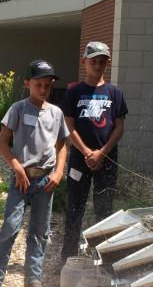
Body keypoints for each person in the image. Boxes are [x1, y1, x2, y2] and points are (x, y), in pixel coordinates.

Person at [0, 60, 70, 287]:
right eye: (38, 84)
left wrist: (59, 171)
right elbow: (2, 143)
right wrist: (17, 167)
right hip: (21, 180)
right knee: (10, 227)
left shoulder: (56, 113)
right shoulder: (18, 109)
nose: (43, 89)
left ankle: (34, 278)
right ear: (27, 84)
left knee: (40, 231)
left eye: (47, 85)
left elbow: (62, 146)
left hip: (45, 181)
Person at [55, 41, 128, 258]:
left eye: (102, 61)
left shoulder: (115, 93)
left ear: (107, 62)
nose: (98, 65)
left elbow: (119, 127)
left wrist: (101, 153)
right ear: (84, 62)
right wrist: (87, 152)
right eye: (93, 61)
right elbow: (68, 126)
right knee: (75, 208)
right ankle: (67, 257)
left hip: (107, 158)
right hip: (80, 158)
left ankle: (103, 257)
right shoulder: (74, 92)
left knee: (104, 210)